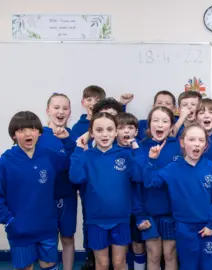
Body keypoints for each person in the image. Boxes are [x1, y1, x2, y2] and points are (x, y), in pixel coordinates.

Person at [70, 112, 143, 270]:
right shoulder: (86, 156)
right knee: (102, 264)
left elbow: (138, 176)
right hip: (96, 220)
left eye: (109, 129)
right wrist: (78, 149)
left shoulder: (125, 155)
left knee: (119, 263)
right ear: (92, 133)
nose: (105, 134)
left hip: (121, 219)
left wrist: (136, 149)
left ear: (116, 132)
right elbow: (75, 178)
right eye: (99, 130)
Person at [144, 124, 212, 270]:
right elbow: (150, 182)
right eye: (191, 139)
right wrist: (152, 160)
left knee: (209, 265)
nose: (196, 144)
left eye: (201, 140)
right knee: (188, 265)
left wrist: (211, 224)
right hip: (184, 227)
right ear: (182, 142)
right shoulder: (172, 168)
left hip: (208, 227)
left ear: (206, 144)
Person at [0, 111, 71, 270]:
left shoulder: (49, 156)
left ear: (39, 132)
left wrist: (67, 140)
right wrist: (10, 220)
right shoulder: (5, 162)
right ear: (13, 135)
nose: (27, 133)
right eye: (21, 130)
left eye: (32, 129)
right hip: (20, 230)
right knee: (26, 267)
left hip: (47, 227)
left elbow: (71, 165)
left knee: (50, 265)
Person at [138, 106, 181, 270]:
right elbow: (139, 182)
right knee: (153, 255)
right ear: (149, 125)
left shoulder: (178, 146)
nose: (160, 124)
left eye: (165, 121)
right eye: (155, 120)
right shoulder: (141, 147)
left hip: (172, 211)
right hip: (149, 211)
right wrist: (140, 214)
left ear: (171, 126)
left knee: (170, 254)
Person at [37, 93, 77, 270]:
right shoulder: (38, 137)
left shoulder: (73, 137)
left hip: (68, 196)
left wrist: (68, 141)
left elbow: (77, 165)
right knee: (47, 239)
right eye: (56, 107)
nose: (61, 112)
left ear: (70, 112)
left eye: (65, 108)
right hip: (45, 200)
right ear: (48, 111)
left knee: (68, 238)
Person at [115, 112, 148, 270]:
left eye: (130, 128)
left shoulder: (139, 150)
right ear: (115, 132)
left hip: (137, 207)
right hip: (118, 208)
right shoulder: (112, 151)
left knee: (138, 243)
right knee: (121, 246)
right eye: (121, 128)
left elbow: (141, 175)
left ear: (136, 132)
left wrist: (136, 149)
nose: (126, 131)